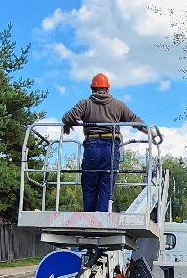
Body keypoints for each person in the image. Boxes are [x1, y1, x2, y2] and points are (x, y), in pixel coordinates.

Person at [61, 73, 149, 213]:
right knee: (106, 185)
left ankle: (88, 217)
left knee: (90, 184)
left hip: (92, 147)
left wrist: (68, 124)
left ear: (92, 89)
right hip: (111, 148)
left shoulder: (85, 104)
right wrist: (151, 133)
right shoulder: (118, 105)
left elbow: (67, 117)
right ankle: (101, 217)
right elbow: (136, 121)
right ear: (107, 89)